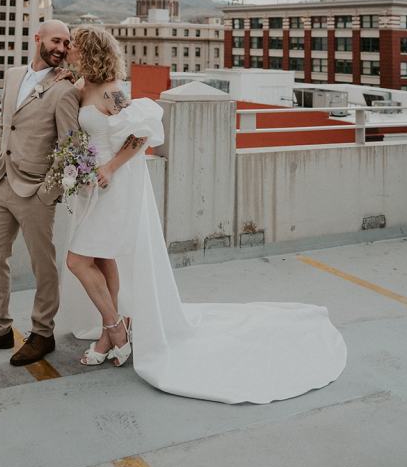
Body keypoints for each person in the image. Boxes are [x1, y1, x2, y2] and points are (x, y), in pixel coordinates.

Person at [59, 26, 348, 404]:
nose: (71, 52)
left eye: (76, 47)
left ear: (91, 51)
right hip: (93, 186)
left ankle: (115, 328)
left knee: (79, 259)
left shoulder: (112, 89)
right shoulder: (83, 85)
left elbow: (139, 135)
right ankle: (111, 329)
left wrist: (111, 167)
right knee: (100, 255)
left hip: (116, 183)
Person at [0, 19, 80, 366]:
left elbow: (73, 148)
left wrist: (48, 192)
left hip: (35, 190)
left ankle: (43, 333)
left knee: (43, 265)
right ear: (37, 39)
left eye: (67, 43)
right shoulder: (13, 76)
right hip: (1, 182)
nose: (62, 48)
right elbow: (5, 125)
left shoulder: (65, 89)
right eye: (56, 40)